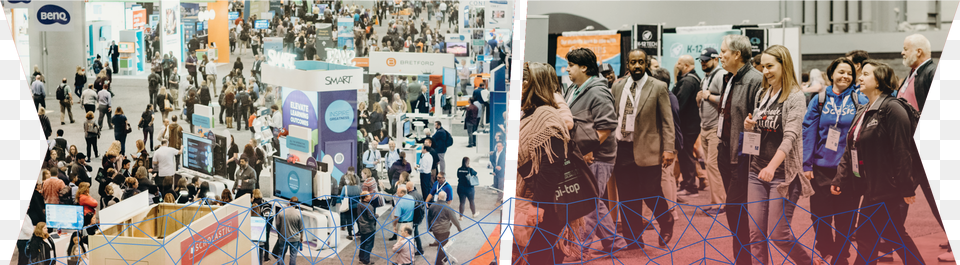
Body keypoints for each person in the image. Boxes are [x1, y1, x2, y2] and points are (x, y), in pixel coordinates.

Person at [833, 60, 925, 264]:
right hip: (870, 186)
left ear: (879, 79)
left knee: (866, 235)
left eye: (865, 74)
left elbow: (902, 150)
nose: (860, 78)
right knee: (893, 234)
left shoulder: (893, 108)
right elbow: (852, 147)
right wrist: (840, 178)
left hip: (887, 187)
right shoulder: (865, 109)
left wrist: (906, 188)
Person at [741, 45, 816, 264]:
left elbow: (790, 137)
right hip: (756, 172)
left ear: (784, 65)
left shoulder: (795, 97)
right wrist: (749, 126)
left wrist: (772, 167)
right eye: (763, 66)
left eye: (770, 66)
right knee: (755, 235)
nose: (765, 71)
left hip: (783, 175)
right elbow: (758, 133)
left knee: (778, 234)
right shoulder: (762, 94)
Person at [698, 35, 763, 264]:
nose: (719, 56)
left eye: (723, 51)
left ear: (737, 54)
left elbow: (757, 122)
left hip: (743, 156)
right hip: (725, 151)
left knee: (735, 209)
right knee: (737, 212)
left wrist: (747, 155)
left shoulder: (756, 80)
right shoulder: (729, 78)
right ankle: (743, 258)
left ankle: (745, 259)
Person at [801, 57, 865, 264]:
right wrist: (807, 163)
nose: (845, 76)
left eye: (849, 73)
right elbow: (808, 131)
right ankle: (827, 252)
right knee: (819, 216)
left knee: (845, 218)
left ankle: (840, 257)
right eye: (841, 72)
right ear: (832, 74)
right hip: (821, 168)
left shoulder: (859, 99)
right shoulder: (819, 99)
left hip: (848, 170)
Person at [516, 62, 572, 263]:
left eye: (524, 81)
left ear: (535, 84)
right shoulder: (532, 112)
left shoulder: (546, 115)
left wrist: (537, 206)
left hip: (545, 204)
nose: (519, 86)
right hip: (535, 200)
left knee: (540, 257)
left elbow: (551, 167)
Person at [694, 47, 728, 214]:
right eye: (701, 60)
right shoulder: (706, 77)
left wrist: (707, 96)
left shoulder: (720, 75)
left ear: (716, 59)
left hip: (715, 128)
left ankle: (721, 204)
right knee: (709, 165)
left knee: (714, 166)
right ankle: (716, 201)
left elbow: (726, 100)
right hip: (706, 127)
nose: (702, 62)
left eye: (706, 60)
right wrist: (700, 97)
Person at [673, 55, 703, 197]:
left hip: (687, 125)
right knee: (687, 155)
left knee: (686, 155)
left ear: (685, 65)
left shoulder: (688, 81)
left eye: (679, 63)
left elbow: (679, 104)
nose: (676, 65)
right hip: (691, 124)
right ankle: (688, 184)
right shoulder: (694, 78)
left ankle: (690, 186)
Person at [899, 34, 937, 113]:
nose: (902, 53)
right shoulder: (913, 72)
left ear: (919, 52)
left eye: (906, 49)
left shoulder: (932, 73)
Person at [427, 191, 462, 265]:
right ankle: (438, 262)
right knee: (442, 246)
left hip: (435, 230)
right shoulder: (448, 207)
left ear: (438, 197)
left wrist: (429, 228)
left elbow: (429, 218)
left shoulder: (432, 206)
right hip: (444, 230)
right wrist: (459, 228)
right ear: (446, 198)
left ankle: (444, 258)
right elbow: (454, 219)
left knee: (442, 244)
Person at [275, 197, 304, 265]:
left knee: (280, 254)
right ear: (297, 204)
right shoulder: (298, 214)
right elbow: (301, 228)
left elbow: (277, 225)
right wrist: (301, 237)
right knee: (293, 256)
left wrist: (279, 235)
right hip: (295, 238)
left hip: (283, 237)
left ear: (289, 202)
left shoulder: (281, 211)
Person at [339, 169, 361, 240]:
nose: (345, 181)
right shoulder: (358, 187)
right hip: (357, 206)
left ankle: (350, 234)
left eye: (346, 180)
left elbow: (341, 197)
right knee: (357, 220)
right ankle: (360, 232)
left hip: (348, 206)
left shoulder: (345, 188)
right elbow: (360, 196)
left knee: (349, 220)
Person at [355, 191, 377, 265]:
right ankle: (366, 260)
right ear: (365, 197)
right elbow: (371, 217)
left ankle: (361, 257)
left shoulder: (359, 204)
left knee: (363, 243)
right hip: (369, 228)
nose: (370, 196)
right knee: (369, 244)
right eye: (369, 196)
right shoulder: (369, 206)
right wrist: (376, 215)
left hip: (362, 227)